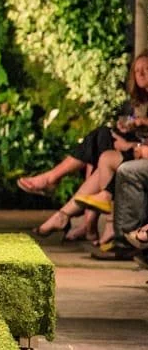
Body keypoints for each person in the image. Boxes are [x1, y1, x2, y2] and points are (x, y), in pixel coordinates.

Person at [19, 51, 148, 240]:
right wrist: (130, 131)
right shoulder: (137, 103)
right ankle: (85, 218)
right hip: (136, 151)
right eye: (137, 71)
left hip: (140, 154)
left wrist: (131, 143)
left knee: (103, 150)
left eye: (146, 69)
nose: (142, 74)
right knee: (101, 138)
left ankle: (75, 211)